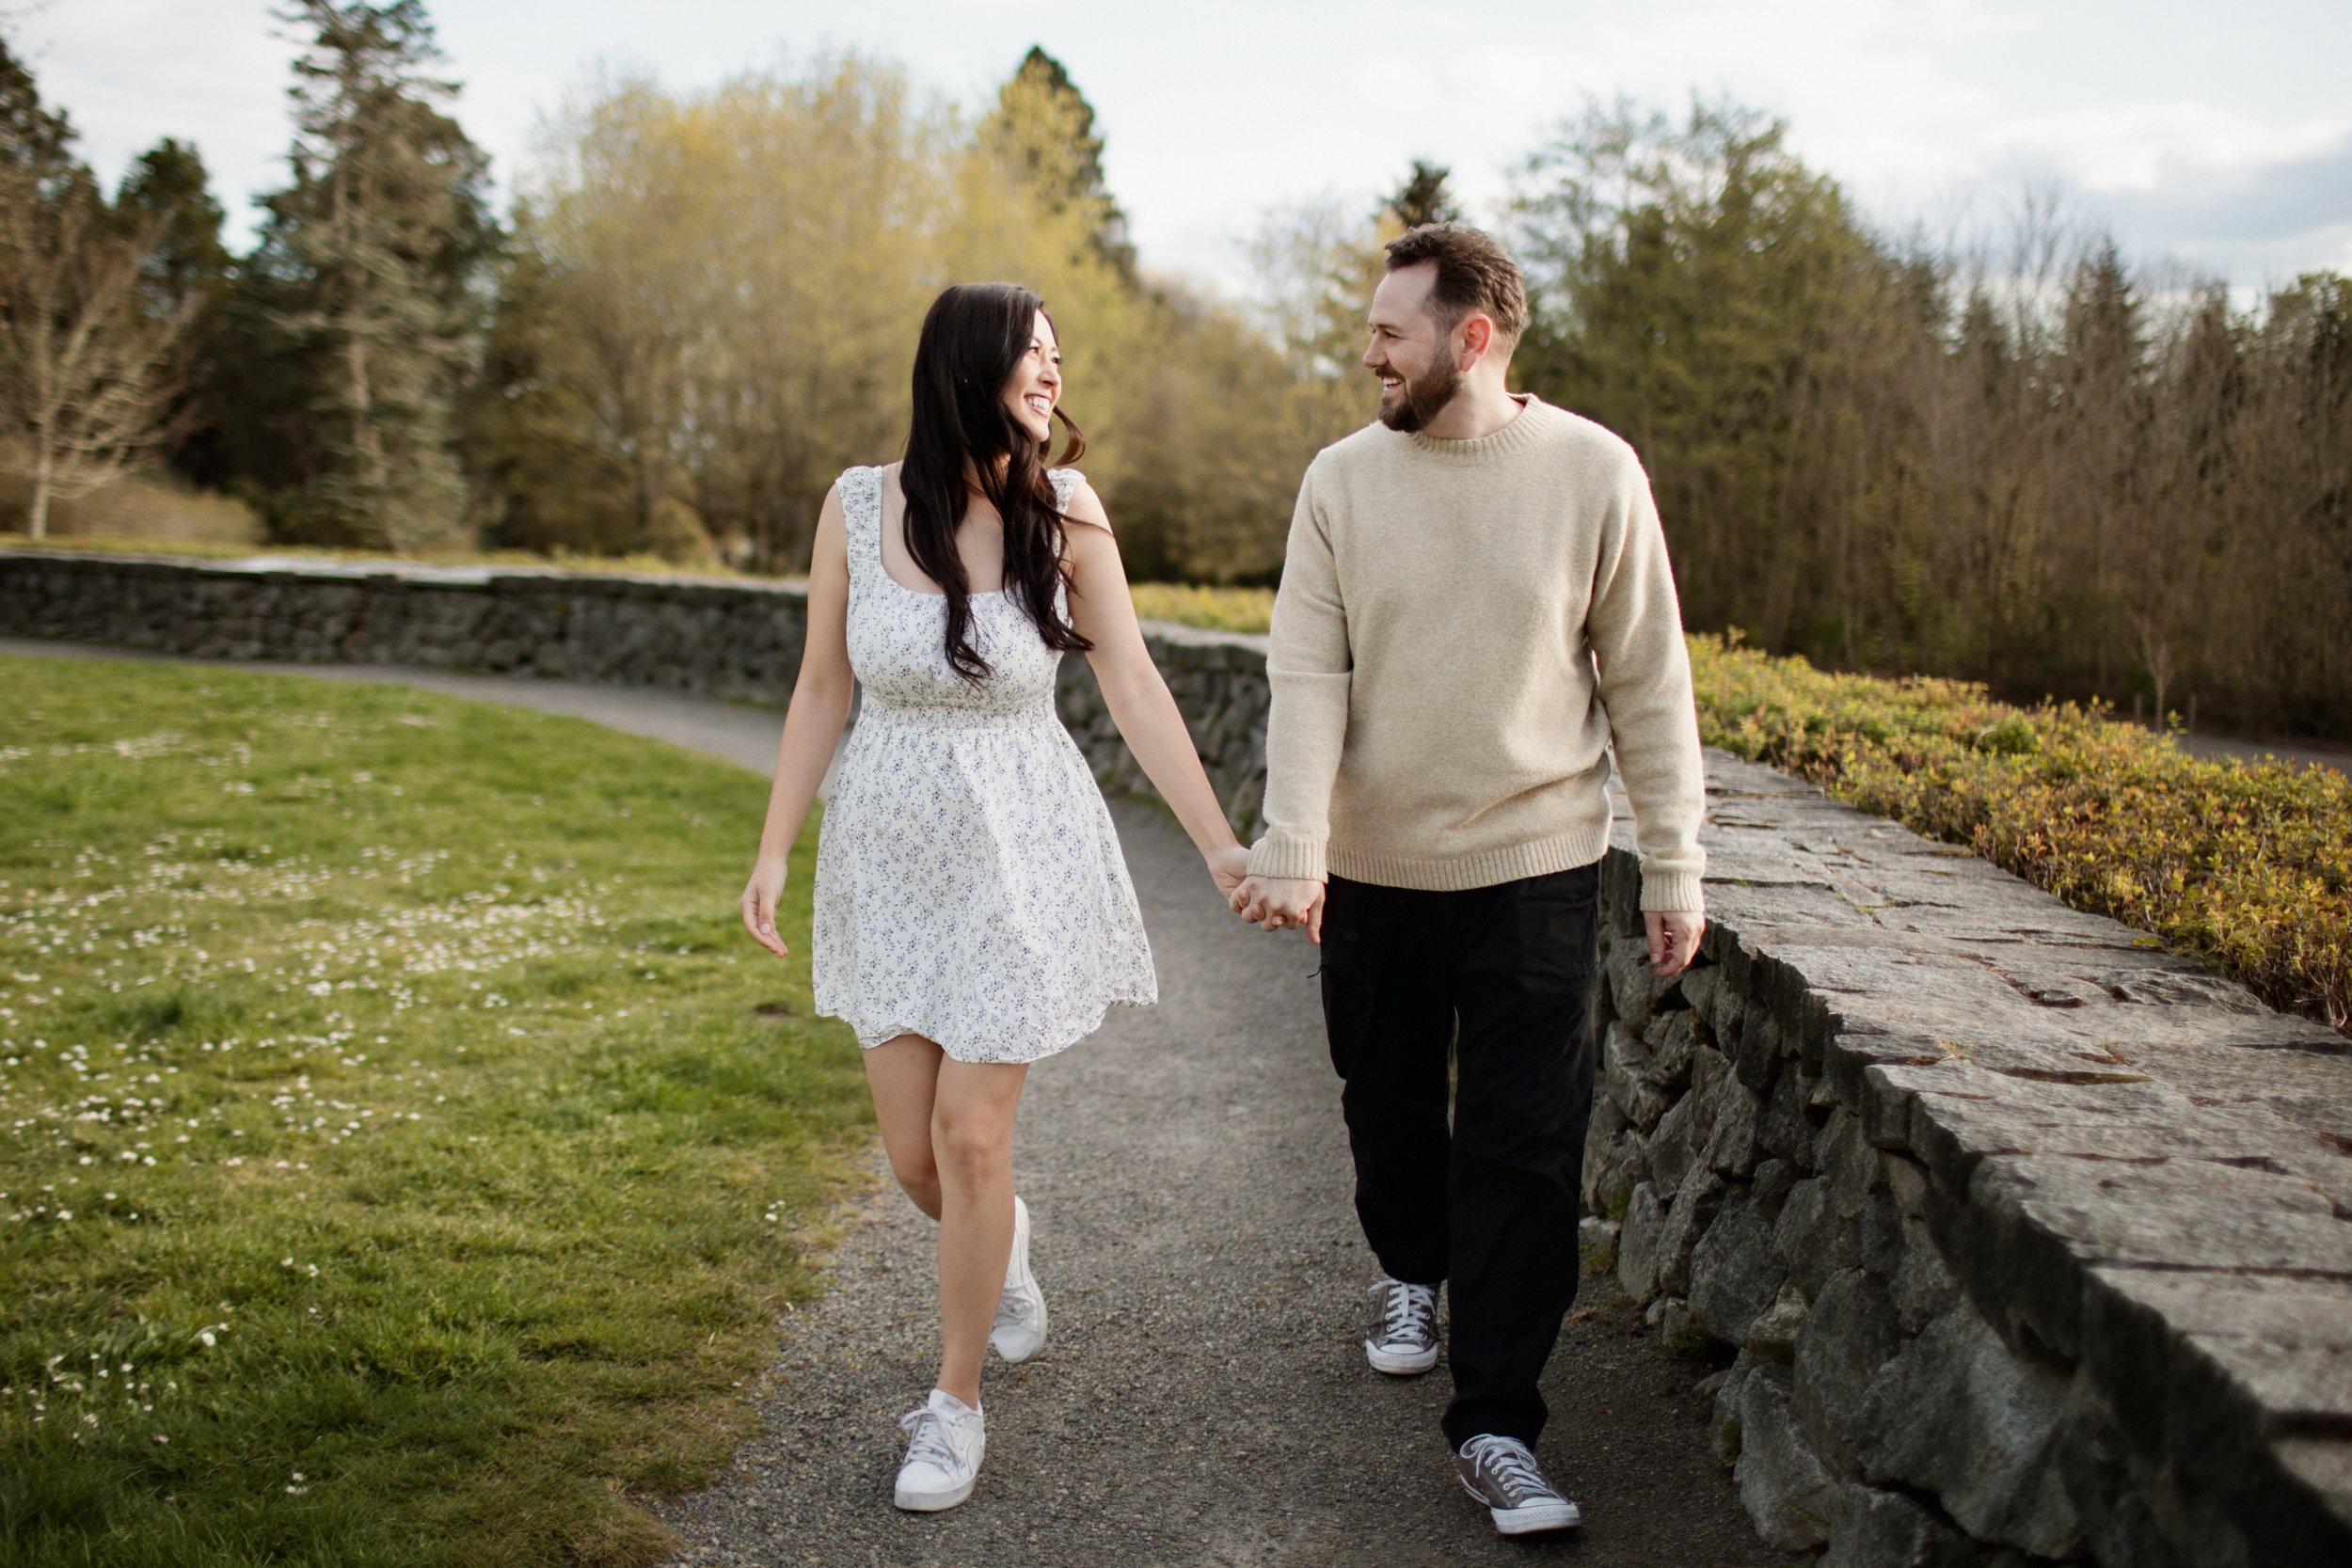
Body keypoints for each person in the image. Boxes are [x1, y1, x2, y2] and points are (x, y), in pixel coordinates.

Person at [1231, 223, 1708, 1538]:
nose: (1369, 351)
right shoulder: (1340, 482)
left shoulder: (1593, 471)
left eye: (1393, 332)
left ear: (1473, 338)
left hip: (1538, 866)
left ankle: (1498, 1422)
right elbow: (1307, 677)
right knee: (1385, 1106)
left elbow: (1650, 682)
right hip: (1378, 870)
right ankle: (1409, 1269)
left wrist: (1674, 861)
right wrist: (1297, 844)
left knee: (1524, 1148)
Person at [739, 282, 1248, 1513]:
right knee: (919, 1162)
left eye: (1059, 360)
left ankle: (952, 1406)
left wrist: (1223, 849)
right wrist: (773, 850)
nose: (1053, 378)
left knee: (974, 1138)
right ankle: (1002, 1246)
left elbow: (1131, 686)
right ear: (966, 369)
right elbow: (819, 690)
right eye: (1034, 356)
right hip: (889, 858)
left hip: (1023, 854)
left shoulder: (1067, 511)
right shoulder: (856, 508)